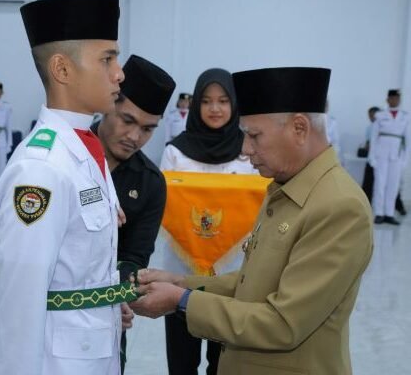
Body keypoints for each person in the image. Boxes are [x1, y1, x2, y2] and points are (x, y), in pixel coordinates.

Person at [130, 67, 373, 375]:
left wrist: (182, 300)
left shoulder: (339, 207)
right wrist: (180, 281)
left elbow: (283, 324)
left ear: (299, 129)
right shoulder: (283, 190)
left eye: (254, 136)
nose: (245, 149)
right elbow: (253, 282)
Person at [0, 0, 133, 375]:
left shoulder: (86, 150)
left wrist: (103, 299)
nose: (119, 73)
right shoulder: (41, 169)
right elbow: (20, 299)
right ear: (62, 69)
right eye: (107, 59)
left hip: (94, 348)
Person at [159, 68, 257, 375]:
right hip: (181, 270)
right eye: (207, 101)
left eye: (223, 101)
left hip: (231, 273)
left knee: (223, 361)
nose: (215, 109)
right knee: (181, 360)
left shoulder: (249, 151)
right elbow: (165, 206)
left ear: (234, 105)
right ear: (197, 105)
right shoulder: (175, 151)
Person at [92, 54, 176, 373]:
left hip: (109, 312)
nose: (135, 137)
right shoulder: (66, 155)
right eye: (127, 120)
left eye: (148, 129)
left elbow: (134, 258)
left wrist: (120, 295)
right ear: (109, 103)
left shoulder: (150, 183)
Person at [369, 89, 410, 225]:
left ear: (399, 100)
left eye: (397, 98)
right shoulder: (380, 115)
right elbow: (374, 137)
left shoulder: (405, 116)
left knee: (393, 184)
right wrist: (372, 156)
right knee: (380, 183)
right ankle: (379, 213)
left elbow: (408, 140)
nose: (394, 101)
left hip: (397, 155)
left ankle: (389, 213)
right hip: (381, 154)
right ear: (387, 100)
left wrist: (405, 159)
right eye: (392, 98)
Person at [361, 106, 380, 202]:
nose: (370, 117)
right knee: (368, 182)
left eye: (372, 115)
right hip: (371, 159)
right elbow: (367, 143)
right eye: (369, 115)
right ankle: (367, 202)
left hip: (381, 159)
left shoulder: (383, 127)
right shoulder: (369, 127)